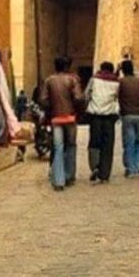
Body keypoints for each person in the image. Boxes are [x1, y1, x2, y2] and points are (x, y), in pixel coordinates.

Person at [40, 56, 84, 191]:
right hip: (70, 118)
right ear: (67, 67)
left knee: (58, 147)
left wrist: (51, 110)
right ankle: (69, 175)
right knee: (71, 146)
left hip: (56, 119)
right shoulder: (72, 80)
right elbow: (78, 98)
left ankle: (58, 181)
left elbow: (43, 100)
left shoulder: (49, 81)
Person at [85, 62, 120, 183]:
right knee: (107, 146)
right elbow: (118, 98)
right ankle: (104, 174)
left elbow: (86, 95)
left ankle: (95, 166)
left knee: (94, 143)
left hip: (95, 116)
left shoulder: (94, 80)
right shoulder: (116, 82)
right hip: (109, 117)